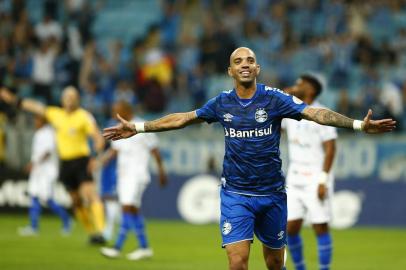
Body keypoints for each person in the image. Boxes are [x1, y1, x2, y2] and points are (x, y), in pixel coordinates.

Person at [102, 47, 396, 270]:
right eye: (238, 61)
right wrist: (139, 127)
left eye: (250, 60)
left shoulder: (275, 98)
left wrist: (358, 124)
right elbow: (182, 118)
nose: (244, 64)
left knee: (274, 263)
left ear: (258, 68)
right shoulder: (221, 102)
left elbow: (315, 113)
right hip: (235, 194)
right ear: (230, 71)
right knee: (238, 262)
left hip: (271, 194)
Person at [0, 86, 106, 244]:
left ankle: (102, 231)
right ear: (62, 100)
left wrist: (95, 157)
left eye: (73, 96)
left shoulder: (84, 116)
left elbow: (98, 137)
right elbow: (35, 107)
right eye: (67, 96)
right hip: (65, 163)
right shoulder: (56, 114)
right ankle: (92, 233)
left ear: (78, 99)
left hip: (81, 160)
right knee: (76, 201)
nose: (70, 99)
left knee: (90, 195)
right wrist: (13, 100)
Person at [100, 100, 167, 260]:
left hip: (137, 175)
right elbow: (114, 151)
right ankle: (144, 247)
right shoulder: (119, 127)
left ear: (126, 110)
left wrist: (161, 171)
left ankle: (117, 247)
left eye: (117, 111)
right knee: (133, 210)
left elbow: (155, 151)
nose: (114, 114)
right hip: (124, 176)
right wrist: (100, 161)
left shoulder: (141, 126)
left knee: (126, 208)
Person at [283, 74, 336, 270]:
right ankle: (301, 268)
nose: (296, 85)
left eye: (300, 83)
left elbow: (331, 148)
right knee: (290, 228)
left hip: (315, 177)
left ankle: (324, 269)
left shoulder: (322, 113)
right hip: (294, 177)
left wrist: (323, 180)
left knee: (320, 226)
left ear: (311, 90)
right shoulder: (289, 110)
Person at [18, 114, 71, 236]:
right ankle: (33, 227)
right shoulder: (39, 133)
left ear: (43, 121)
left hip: (47, 170)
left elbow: (48, 151)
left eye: (37, 119)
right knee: (34, 195)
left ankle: (67, 221)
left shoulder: (48, 133)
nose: (35, 122)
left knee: (47, 198)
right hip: (38, 170)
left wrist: (34, 163)